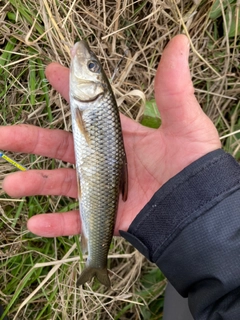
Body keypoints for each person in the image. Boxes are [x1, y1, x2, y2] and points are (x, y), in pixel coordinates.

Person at [0, 34, 240, 319]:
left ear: (96, 86)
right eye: (93, 66)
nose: (84, 61)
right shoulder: (94, 105)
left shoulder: (94, 104)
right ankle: (94, 259)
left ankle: (95, 261)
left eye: (91, 67)